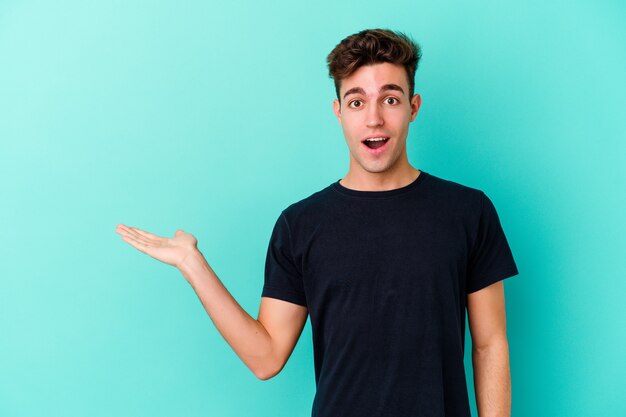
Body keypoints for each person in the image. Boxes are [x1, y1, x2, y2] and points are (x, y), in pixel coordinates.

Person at [116, 28, 519, 417]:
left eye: (390, 100)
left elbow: (490, 345)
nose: (374, 119)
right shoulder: (301, 225)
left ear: (413, 107)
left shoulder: (468, 212)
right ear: (339, 112)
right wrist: (193, 265)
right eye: (357, 102)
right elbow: (266, 357)